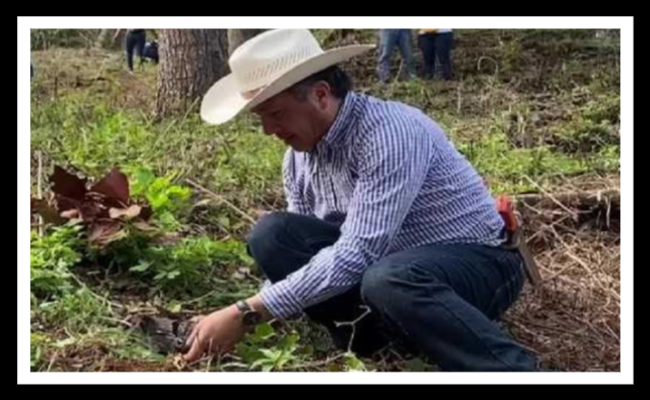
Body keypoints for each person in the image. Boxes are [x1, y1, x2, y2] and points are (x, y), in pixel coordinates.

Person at [184, 29, 537, 371]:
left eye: (276, 114)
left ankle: (510, 368)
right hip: (388, 272)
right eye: (261, 119)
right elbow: (300, 255)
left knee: (389, 278)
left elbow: (359, 253)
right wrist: (242, 313)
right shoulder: (298, 156)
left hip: (478, 263)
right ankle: (377, 338)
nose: (268, 130)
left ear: (321, 95)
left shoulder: (389, 133)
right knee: (273, 235)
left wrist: (247, 313)